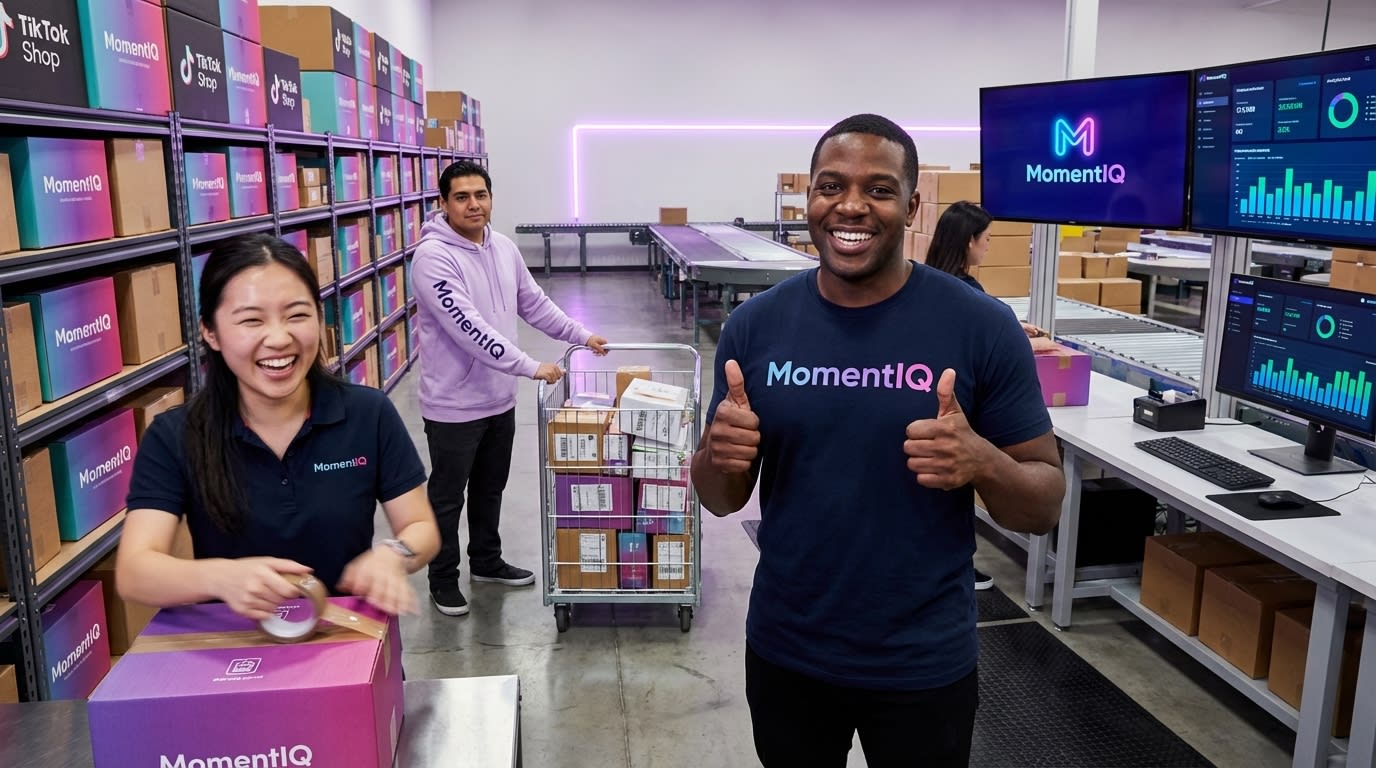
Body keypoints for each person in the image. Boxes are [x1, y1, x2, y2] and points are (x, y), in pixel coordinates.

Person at [691, 114, 1065, 767]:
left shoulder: (980, 326)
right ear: (809, 197)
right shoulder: (755, 328)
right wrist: (717, 456)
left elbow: (1043, 504)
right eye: (831, 186)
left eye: (880, 189)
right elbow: (720, 498)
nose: (852, 206)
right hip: (788, 653)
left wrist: (982, 461)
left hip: (923, 663)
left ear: (913, 205)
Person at [117, 234, 440, 620]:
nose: (279, 338)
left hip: (348, 638)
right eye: (252, 320)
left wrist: (393, 555)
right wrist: (221, 578)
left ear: (319, 319)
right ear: (211, 332)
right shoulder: (176, 435)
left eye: (297, 315)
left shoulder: (368, 414)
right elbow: (135, 572)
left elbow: (421, 526)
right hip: (236, 652)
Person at [413, 160, 607, 617]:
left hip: (497, 398)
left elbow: (532, 303)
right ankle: (442, 578)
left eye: (481, 194)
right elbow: (468, 328)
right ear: (443, 203)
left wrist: (580, 334)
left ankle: (485, 561)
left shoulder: (502, 247)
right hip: (453, 404)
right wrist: (528, 366)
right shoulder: (433, 259)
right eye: (461, 197)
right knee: (447, 496)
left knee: (490, 487)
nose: (473, 204)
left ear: (491, 198)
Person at [924, 201, 1061, 592]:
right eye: (987, 240)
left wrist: (1010, 327)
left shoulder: (928, 285)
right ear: (970, 242)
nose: (988, 249)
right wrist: (1019, 340)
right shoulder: (970, 294)